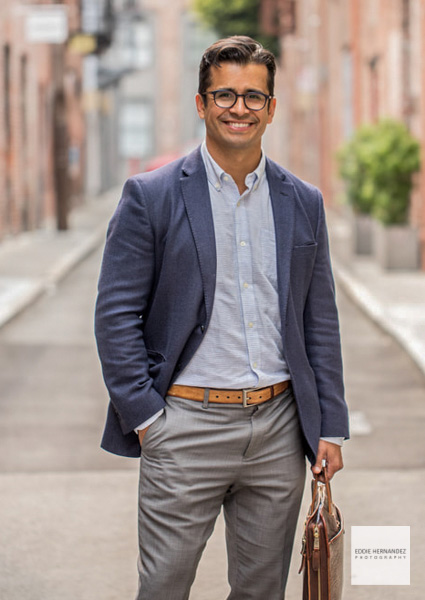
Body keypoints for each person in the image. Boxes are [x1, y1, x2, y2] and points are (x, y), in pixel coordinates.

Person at [95, 35, 349, 600]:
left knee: (262, 591)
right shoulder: (151, 196)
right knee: (163, 586)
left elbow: (319, 320)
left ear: (272, 108)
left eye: (254, 97)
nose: (240, 108)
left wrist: (328, 424)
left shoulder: (302, 200)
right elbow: (115, 315)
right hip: (184, 425)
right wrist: (147, 418)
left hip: (279, 429)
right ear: (202, 103)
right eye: (225, 95)